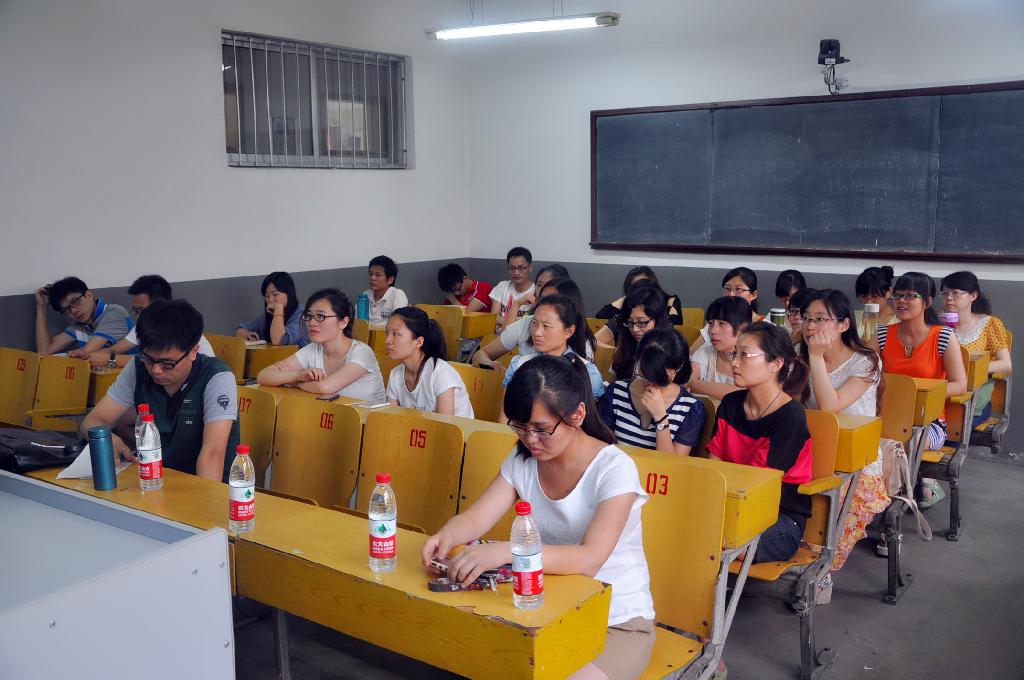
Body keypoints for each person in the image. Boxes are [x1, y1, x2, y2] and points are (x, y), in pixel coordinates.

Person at [422, 355, 656, 679]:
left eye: (542, 429)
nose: (530, 439)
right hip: (546, 613)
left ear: (577, 415)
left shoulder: (614, 469)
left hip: (616, 621)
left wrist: (509, 551)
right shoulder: (524, 460)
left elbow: (589, 558)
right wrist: (447, 536)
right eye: (520, 426)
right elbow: (476, 519)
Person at [79, 299, 239, 482]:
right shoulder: (138, 367)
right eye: (148, 359)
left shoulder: (216, 377)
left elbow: (212, 456)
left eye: (167, 363)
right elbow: (92, 420)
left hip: (204, 484)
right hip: (156, 479)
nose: (155, 370)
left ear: (193, 351)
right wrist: (108, 440)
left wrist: (201, 499)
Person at [799, 289, 886, 598]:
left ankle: (819, 573)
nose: (811, 326)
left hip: (856, 461)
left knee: (830, 513)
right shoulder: (799, 357)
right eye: (806, 318)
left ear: (844, 324)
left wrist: (815, 358)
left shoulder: (866, 362)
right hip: (813, 452)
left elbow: (829, 406)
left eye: (820, 319)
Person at [707, 322, 812, 563]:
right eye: (735, 354)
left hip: (779, 518)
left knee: (714, 541)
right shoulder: (730, 404)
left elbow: (759, 485)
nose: (734, 363)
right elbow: (714, 466)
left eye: (745, 355)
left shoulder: (791, 417)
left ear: (776, 363)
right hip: (729, 505)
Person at [869, 271, 967, 510]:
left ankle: (893, 503)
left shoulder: (943, 336)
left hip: (929, 422)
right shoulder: (882, 335)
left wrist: (920, 395)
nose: (901, 301)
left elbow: (960, 384)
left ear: (928, 302)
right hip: (888, 417)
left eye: (911, 296)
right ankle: (874, 500)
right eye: (898, 296)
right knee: (868, 440)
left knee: (903, 444)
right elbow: (867, 375)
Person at [257, 289, 386, 402]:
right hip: (331, 416)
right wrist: (298, 375)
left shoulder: (362, 352)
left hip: (368, 420)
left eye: (320, 316)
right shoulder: (312, 349)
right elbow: (263, 375)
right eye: (309, 315)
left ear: (343, 322)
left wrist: (294, 382)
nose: (312, 322)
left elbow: (324, 387)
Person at [599, 329, 705, 456]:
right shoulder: (616, 392)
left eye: (657, 374)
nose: (650, 380)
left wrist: (661, 418)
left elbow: (673, 464)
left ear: (677, 368)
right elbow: (601, 448)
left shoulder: (690, 408)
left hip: (659, 469)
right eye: (644, 371)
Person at [501, 296, 606, 419]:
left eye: (546, 326)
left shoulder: (588, 372)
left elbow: (592, 422)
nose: (537, 332)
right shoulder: (519, 364)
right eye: (534, 323)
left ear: (569, 331)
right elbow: (505, 419)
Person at [84, 275, 216, 369]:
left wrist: (110, 361)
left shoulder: (176, 326)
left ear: (161, 306)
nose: (136, 315)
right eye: (134, 310)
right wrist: (88, 356)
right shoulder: (146, 325)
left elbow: (154, 362)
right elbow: (114, 350)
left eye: (140, 310)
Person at [473, 278, 596, 371]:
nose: (537, 332)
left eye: (554, 301)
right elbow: (480, 354)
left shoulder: (583, 349)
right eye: (542, 299)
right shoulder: (527, 324)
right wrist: (490, 364)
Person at [940, 271, 1012, 428]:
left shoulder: (989, 324)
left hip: (972, 398)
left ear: (973, 296)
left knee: (951, 428)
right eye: (945, 293)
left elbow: (1006, 364)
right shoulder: (937, 323)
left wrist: (970, 368)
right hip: (941, 393)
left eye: (955, 293)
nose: (949, 298)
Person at [384, 307, 473, 417]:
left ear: (419, 342)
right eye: (387, 332)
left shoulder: (441, 373)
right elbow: (391, 420)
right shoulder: (395, 375)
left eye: (396, 334)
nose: (387, 340)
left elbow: (444, 424)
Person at [35, 276, 132, 356]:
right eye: (67, 309)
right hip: (105, 371)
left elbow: (85, 353)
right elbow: (44, 351)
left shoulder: (114, 313)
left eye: (75, 302)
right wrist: (41, 307)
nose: (73, 311)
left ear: (89, 296)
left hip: (125, 370)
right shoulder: (80, 325)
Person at [599, 285, 676, 381]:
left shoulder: (672, 352)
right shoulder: (624, 350)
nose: (635, 329)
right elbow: (615, 384)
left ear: (658, 320)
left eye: (642, 322)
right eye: (630, 322)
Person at [689, 297, 751, 400]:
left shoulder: (753, 358)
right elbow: (685, 383)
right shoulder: (705, 351)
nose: (713, 331)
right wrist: (691, 383)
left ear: (743, 328)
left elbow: (746, 396)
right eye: (711, 323)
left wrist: (694, 384)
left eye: (722, 323)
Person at [690, 267, 761, 352]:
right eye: (727, 288)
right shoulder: (715, 323)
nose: (731, 294)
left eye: (738, 289)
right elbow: (692, 353)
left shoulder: (764, 327)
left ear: (753, 295)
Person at [235, 271, 309, 347]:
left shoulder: (303, 315)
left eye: (275, 294)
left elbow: (279, 340)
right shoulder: (266, 316)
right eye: (267, 296)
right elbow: (240, 329)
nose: (270, 300)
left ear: (289, 293)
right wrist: (246, 334)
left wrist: (278, 309)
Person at [595, 266, 683, 325]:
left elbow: (675, 326)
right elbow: (601, 317)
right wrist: (626, 299)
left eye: (644, 285)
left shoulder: (669, 301)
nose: (640, 291)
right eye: (635, 287)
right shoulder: (629, 304)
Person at [502, 264, 570, 323]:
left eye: (547, 285)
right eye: (539, 285)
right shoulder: (533, 309)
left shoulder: (562, 316)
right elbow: (507, 332)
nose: (542, 290)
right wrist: (517, 304)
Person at [490, 247, 535, 330]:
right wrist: (516, 324)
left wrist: (503, 321)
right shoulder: (502, 287)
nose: (516, 272)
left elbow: (531, 326)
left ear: (530, 267)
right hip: (499, 334)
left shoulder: (535, 291)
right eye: (512, 268)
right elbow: (494, 318)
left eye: (521, 268)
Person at [361, 255, 409, 325]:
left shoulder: (397, 295)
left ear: (390, 280)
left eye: (378, 275)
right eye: (371, 274)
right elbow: (357, 321)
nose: (372, 278)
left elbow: (399, 324)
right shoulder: (365, 295)